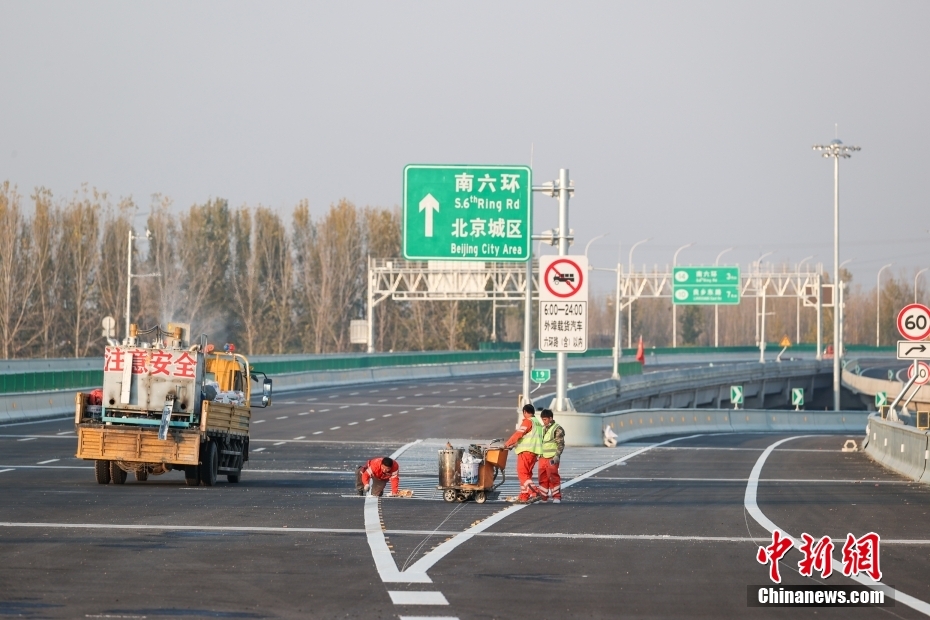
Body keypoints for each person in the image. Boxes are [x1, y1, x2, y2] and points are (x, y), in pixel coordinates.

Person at [504, 403, 543, 503]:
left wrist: (507, 444)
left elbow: (519, 434)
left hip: (526, 452)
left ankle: (535, 492)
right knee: (526, 475)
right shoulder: (537, 423)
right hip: (534, 453)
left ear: (525, 412)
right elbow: (528, 437)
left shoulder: (528, 421)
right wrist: (514, 444)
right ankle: (524, 496)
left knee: (522, 473)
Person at [538, 409, 565, 503]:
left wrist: (557, 456)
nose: (544, 421)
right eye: (542, 419)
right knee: (542, 477)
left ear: (550, 418)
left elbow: (560, 444)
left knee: (553, 476)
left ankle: (556, 497)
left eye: (545, 419)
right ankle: (543, 497)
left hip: (552, 458)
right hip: (542, 457)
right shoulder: (542, 429)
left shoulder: (557, 429)